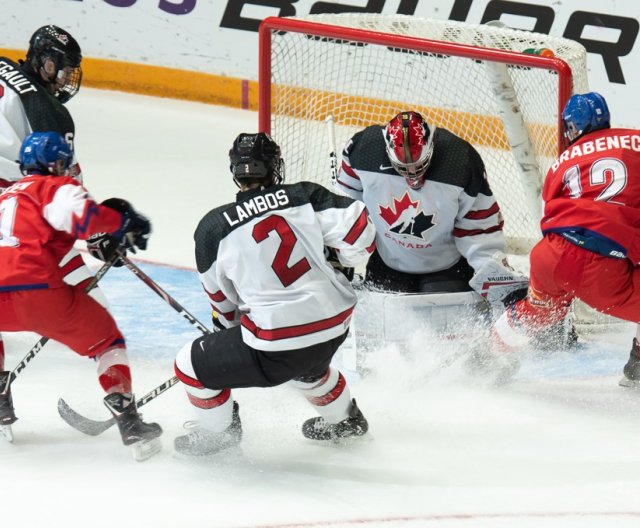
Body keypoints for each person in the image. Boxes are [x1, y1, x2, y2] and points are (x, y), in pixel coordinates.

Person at [172, 132, 377, 456]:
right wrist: (343, 260)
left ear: (236, 172)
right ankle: (346, 422)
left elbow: (222, 305)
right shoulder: (303, 196)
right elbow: (361, 228)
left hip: (277, 343)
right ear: (275, 167)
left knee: (189, 364)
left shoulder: (213, 228)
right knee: (307, 367)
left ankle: (220, 434)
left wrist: (229, 332)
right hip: (334, 325)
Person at [0, 131, 162, 452]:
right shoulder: (56, 187)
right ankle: (129, 422)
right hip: (37, 291)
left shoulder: (4, 197)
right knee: (107, 341)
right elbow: (86, 220)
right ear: (58, 163)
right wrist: (121, 220)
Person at [492, 92, 640, 385]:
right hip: (601, 268)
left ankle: (490, 352)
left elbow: (548, 217)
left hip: (550, 257)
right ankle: (638, 367)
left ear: (571, 128)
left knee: (539, 312)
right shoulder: (634, 141)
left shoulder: (561, 163)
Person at [335, 110, 527, 301]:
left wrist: (491, 270)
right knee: (382, 324)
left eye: (420, 165)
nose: (412, 173)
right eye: (403, 168)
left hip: (447, 268)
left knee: (449, 324)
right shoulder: (362, 151)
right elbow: (348, 206)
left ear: (431, 146)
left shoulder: (460, 161)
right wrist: (341, 251)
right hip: (388, 264)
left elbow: (478, 225)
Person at [0, 25, 94, 377]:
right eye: (64, 70)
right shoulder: (50, 113)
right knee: (81, 292)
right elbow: (64, 187)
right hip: (13, 207)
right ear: (47, 63)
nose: (67, 80)